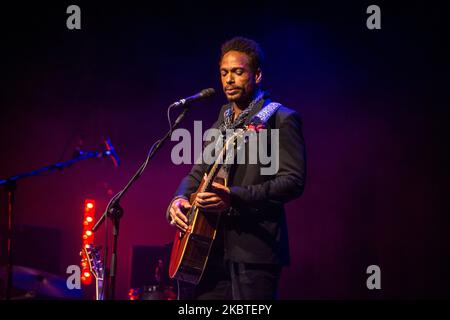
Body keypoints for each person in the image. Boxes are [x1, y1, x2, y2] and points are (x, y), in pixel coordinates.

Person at [166, 36, 306, 299]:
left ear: (257, 75)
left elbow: (293, 181)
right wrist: (177, 199)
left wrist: (233, 197)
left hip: (254, 252)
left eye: (238, 72)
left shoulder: (280, 118)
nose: (229, 79)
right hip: (208, 251)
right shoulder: (222, 121)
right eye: (224, 73)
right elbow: (197, 174)